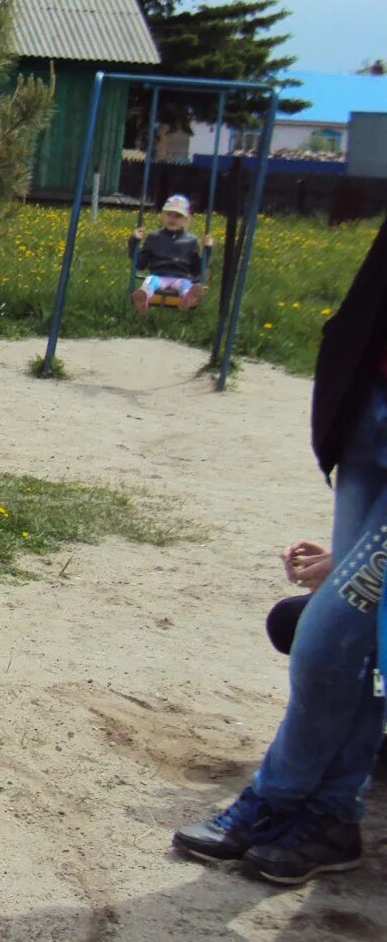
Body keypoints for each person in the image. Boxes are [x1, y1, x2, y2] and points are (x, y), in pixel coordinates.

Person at [171, 218, 387, 884]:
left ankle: (274, 801)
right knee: (363, 641)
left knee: (323, 638)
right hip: (370, 418)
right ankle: (330, 817)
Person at [129, 194, 212, 313]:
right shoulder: (153, 237)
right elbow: (140, 264)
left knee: (186, 285)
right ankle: (142, 299)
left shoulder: (191, 241)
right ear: (162, 215)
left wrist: (207, 250)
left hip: (181, 278)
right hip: (157, 276)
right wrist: (134, 241)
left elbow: (196, 270)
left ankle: (188, 299)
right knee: (149, 282)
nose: (172, 219)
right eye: (169, 214)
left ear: (186, 219)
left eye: (178, 216)